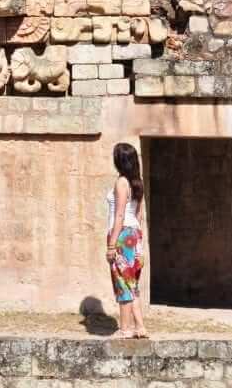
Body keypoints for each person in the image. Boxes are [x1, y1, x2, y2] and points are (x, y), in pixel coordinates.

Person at [105, 142, 148, 339]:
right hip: (134, 236)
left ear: (118, 161)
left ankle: (125, 329)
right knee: (132, 285)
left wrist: (112, 244)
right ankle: (139, 327)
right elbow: (139, 216)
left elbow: (120, 215)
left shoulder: (122, 182)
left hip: (122, 235)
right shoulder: (137, 183)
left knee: (122, 283)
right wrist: (139, 241)